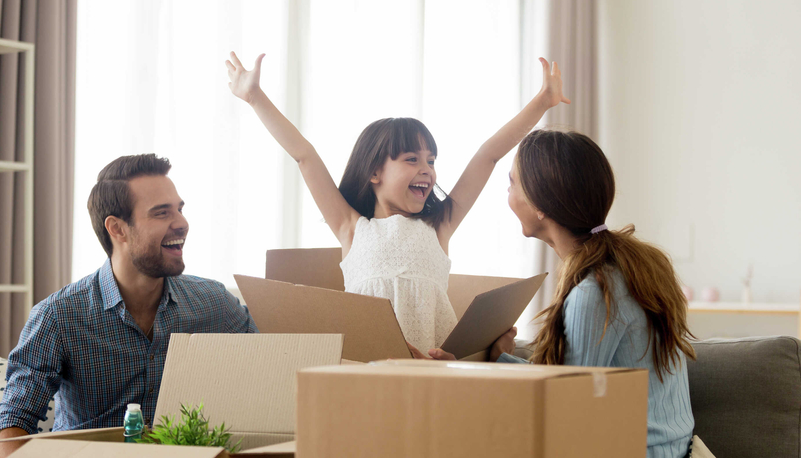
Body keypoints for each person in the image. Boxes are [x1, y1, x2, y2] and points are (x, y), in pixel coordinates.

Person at [226, 52, 570, 353]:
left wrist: (542, 102)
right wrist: (255, 97)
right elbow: (304, 155)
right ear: (375, 172)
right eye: (412, 160)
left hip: (433, 369)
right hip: (369, 368)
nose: (427, 170)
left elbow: (488, 155)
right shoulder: (351, 228)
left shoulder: (439, 226)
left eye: (431, 161)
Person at [422, 130, 696, 457]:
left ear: (540, 204)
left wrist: (465, 373)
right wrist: (501, 360)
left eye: (512, 184)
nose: (508, 195)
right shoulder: (631, 266)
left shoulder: (595, 291)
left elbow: (567, 404)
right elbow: (575, 382)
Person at [0, 154, 258, 457]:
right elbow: (13, 425)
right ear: (117, 229)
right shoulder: (59, 316)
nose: (182, 223)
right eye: (161, 213)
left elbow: (273, 371)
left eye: (180, 209)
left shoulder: (215, 304)